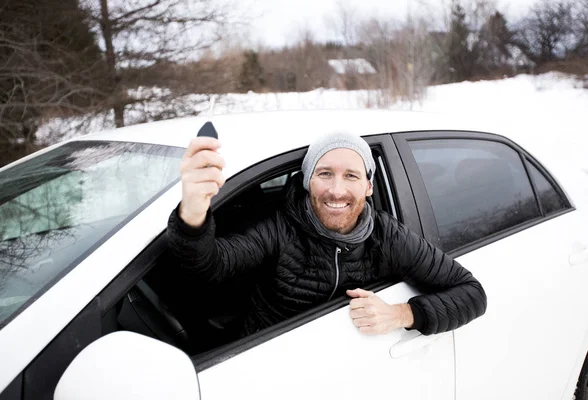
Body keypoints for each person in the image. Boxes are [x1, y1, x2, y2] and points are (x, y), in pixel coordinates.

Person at [167, 132, 487, 339]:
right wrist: (194, 208)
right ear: (307, 182)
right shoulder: (280, 227)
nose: (336, 190)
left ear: (368, 186)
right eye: (324, 174)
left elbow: (472, 293)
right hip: (264, 355)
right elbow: (209, 265)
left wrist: (400, 314)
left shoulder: (387, 237)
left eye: (351, 175)